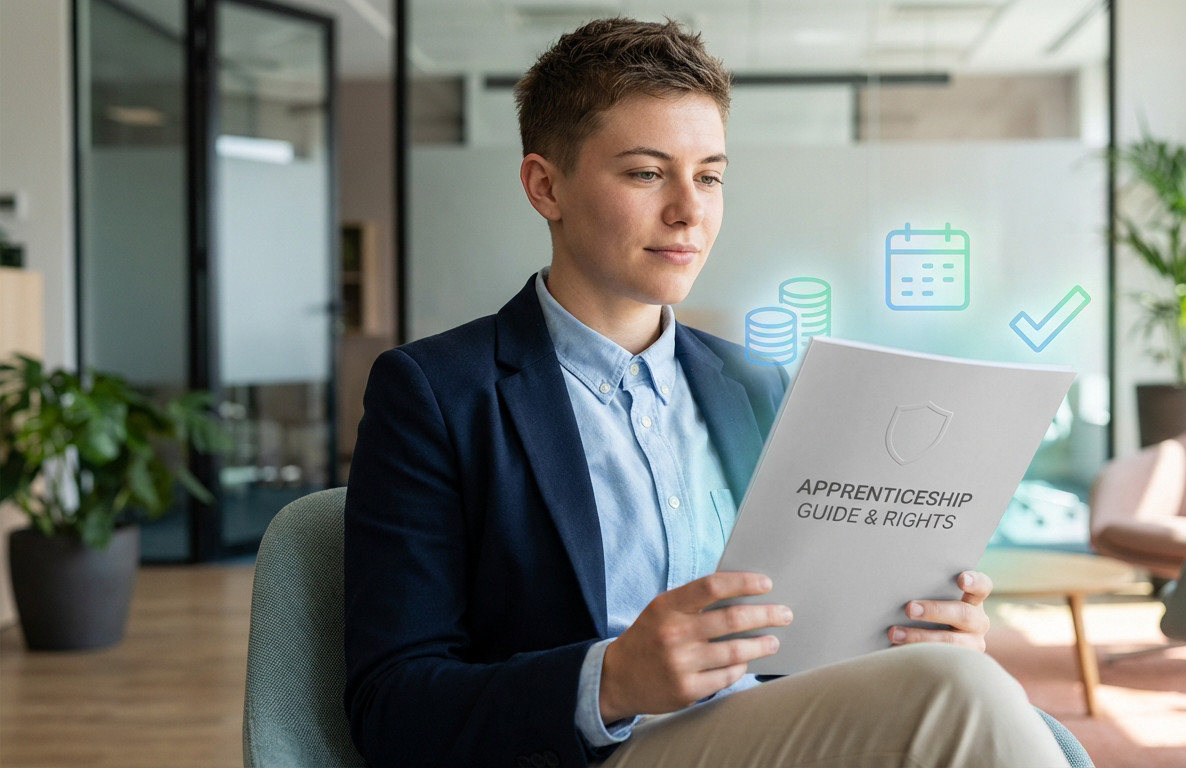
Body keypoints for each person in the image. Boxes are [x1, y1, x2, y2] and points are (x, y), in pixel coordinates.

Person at [343, 17, 1072, 768]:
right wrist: (611, 681)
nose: (690, 210)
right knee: (963, 698)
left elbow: (806, 635)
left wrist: (913, 630)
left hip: (780, 730)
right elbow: (391, 705)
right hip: (595, 755)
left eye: (711, 175)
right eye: (646, 173)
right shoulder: (434, 392)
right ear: (545, 185)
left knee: (960, 677)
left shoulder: (757, 383)